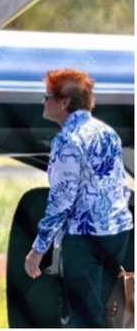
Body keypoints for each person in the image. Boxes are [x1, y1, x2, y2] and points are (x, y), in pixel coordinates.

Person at [24, 68, 133, 328]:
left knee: (85, 318)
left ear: (64, 103)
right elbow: (120, 186)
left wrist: (38, 249)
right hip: (118, 233)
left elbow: (61, 199)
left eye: (47, 95)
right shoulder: (108, 133)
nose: (43, 101)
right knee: (106, 312)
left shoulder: (68, 141)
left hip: (86, 236)